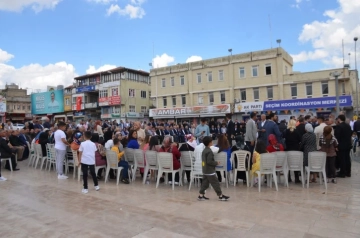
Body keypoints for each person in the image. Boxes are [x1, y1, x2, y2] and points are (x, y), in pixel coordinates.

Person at [198, 136, 229, 201]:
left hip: (205, 169)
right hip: (210, 170)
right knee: (215, 183)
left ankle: (201, 195)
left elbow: (204, 161)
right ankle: (220, 195)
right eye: (211, 141)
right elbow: (209, 161)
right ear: (209, 143)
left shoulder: (204, 150)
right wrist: (216, 163)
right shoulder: (209, 151)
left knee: (205, 183)